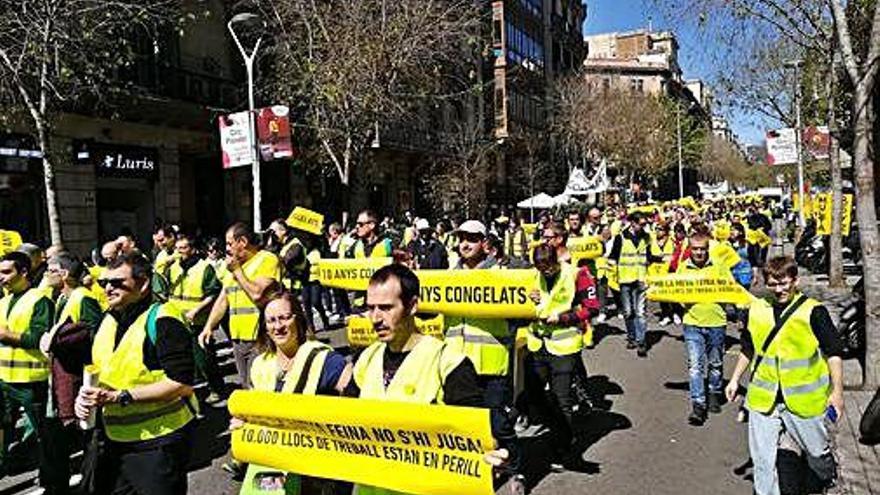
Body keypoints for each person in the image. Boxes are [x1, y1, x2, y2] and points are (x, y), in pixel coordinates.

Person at [345, 264, 512, 495]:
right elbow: (344, 424)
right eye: (370, 308)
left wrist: (490, 455)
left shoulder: (448, 362)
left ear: (412, 306)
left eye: (385, 308)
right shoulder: (366, 359)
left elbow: (476, 440)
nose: (375, 318)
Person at [74, 252, 198, 495]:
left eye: (117, 282)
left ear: (143, 284)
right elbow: (102, 370)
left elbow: (182, 384)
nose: (108, 288)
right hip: (113, 441)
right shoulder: (107, 319)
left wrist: (119, 397)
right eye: (104, 283)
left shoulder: (164, 318)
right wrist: (85, 398)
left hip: (158, 442)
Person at [725, 256, 843, 495]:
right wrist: (735, 379)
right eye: (772, 284)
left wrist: (837, 392)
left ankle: (826, 474)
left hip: (803, 400)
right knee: (763, 461)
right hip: (763, 399)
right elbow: (748, 347)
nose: (778, 289)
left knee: (817, 453)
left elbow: (833, 352)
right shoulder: (756, 309)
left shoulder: (813, 312)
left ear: (795, 280)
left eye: (784, 283)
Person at [232, 292, 352, 495]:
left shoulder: (324, 360)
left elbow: (359, 401)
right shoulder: (260, 364)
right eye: (271, 321)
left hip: (316, 473)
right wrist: (243, 425)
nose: (278, 326)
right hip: (271, 467)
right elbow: (252, 413)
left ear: (298, 319)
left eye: (284, 318)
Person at [443, 220, 523, 493]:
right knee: (464, 427)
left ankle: (514, 471)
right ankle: (474, 477)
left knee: (497, 423)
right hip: (455, 365)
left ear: (485, 243)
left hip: (491, 362)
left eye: (472, 239)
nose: (465, 244)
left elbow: (518, 314)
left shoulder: (500, 275)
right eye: (462, 238)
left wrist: (531, 299)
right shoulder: (447, 277)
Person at [40, 252, 103, 494]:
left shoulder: (83, 298)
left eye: (50, 269)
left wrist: (60, 341)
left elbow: (95, 336)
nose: (45, 274)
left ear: (64, 274)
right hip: (60, 379)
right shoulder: (61, 299)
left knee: (86, 437)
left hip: (77, 378)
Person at [525, 245, 589, 469]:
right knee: (533, 395)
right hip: (537, 343)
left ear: (556, 262)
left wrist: (563, 318)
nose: (545, 273)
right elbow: (523, 303)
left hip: (564, 345)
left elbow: (591, 308)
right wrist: (527, 297)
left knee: (562, 399)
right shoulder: (533, 275)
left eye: (549, 268)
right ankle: (558, 430)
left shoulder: (576, 274)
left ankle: (562, 449)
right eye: (541, 269)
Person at [199, 223, 282, 390]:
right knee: (246, 386)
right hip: (237, 338)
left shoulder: (266, 259)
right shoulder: (231, 266)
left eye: (230, 243)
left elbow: (258, 294)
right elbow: (223, 299)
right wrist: (209, 326)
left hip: (260, 337)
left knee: (259, 386)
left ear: (242, 242)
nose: (227, 249)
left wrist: (237, 271)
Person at [0, 252, 55, 488]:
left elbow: (41, 338)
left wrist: (5, 335)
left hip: (31, 380)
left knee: (45, 433)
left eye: (6, 272)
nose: (1, 277)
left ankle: (50, 476)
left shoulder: (39, 299)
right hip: (3, 378)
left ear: (23, 272)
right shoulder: (3, 301)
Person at [676, 233, 729, 426]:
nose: (699, 252)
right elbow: (675, 291)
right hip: (692, 322)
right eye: (695, 249)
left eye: (702, 249)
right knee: (695, 365)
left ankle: (714, 391)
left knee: (715, 362)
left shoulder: (719, 266)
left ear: (708, 249)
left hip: (716, 321)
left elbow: (730, 288)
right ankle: (698, 404)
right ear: (690, 249)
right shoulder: (684, 268)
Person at [166, 232, 225, 403]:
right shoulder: (173, 268)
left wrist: (196, 311)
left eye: (183, 248)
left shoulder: (204, 268)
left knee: (204, 359)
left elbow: (213, 293)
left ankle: (217, 388)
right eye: (177, 248)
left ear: (192, 250)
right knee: (179, 361)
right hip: (177, 321)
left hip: (197, 322)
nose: (179, 252)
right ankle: (185, 391)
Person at [608, 211, 659, 357]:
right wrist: (610, 269)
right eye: (641, 224)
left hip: (641, 278)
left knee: (640, 312)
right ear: (632, 222)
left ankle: (641, 341)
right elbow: (613, 256)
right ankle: (631, 336)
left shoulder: (647, 237)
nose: (644, 227)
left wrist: (660, 259)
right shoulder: (621, 238)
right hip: (625, 279)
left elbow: (648, 256)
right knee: (628, 311)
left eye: (645, 224)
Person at [650, 223, 676, 326]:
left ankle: (676, 312)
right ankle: (666, 315)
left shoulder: (672, 241)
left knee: (672, 294)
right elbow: (649, 256)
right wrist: (659, 258)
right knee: (661, 295)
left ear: (665, 231)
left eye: (660, 229)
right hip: (656, 272)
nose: (657, 231)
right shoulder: (652, 241)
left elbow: (676, 255)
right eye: (656, 229)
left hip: (669, 271)